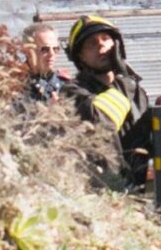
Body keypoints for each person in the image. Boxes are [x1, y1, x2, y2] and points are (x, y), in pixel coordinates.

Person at [62, 15, 153, 188]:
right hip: (98, 196)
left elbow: (140, 141)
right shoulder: (73, 92)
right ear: (81, 56)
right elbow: (102, 121)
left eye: (106, 38)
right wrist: (127, 79)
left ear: (117, 45)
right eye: (91, 43)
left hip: (135, 192)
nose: (101, 46)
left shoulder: (133, 90)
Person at [21, 22, 70, 103]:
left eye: (55, 49)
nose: (52, 54)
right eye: (45, 49)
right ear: (28, 51)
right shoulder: (14, 86)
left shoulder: (65, 85)